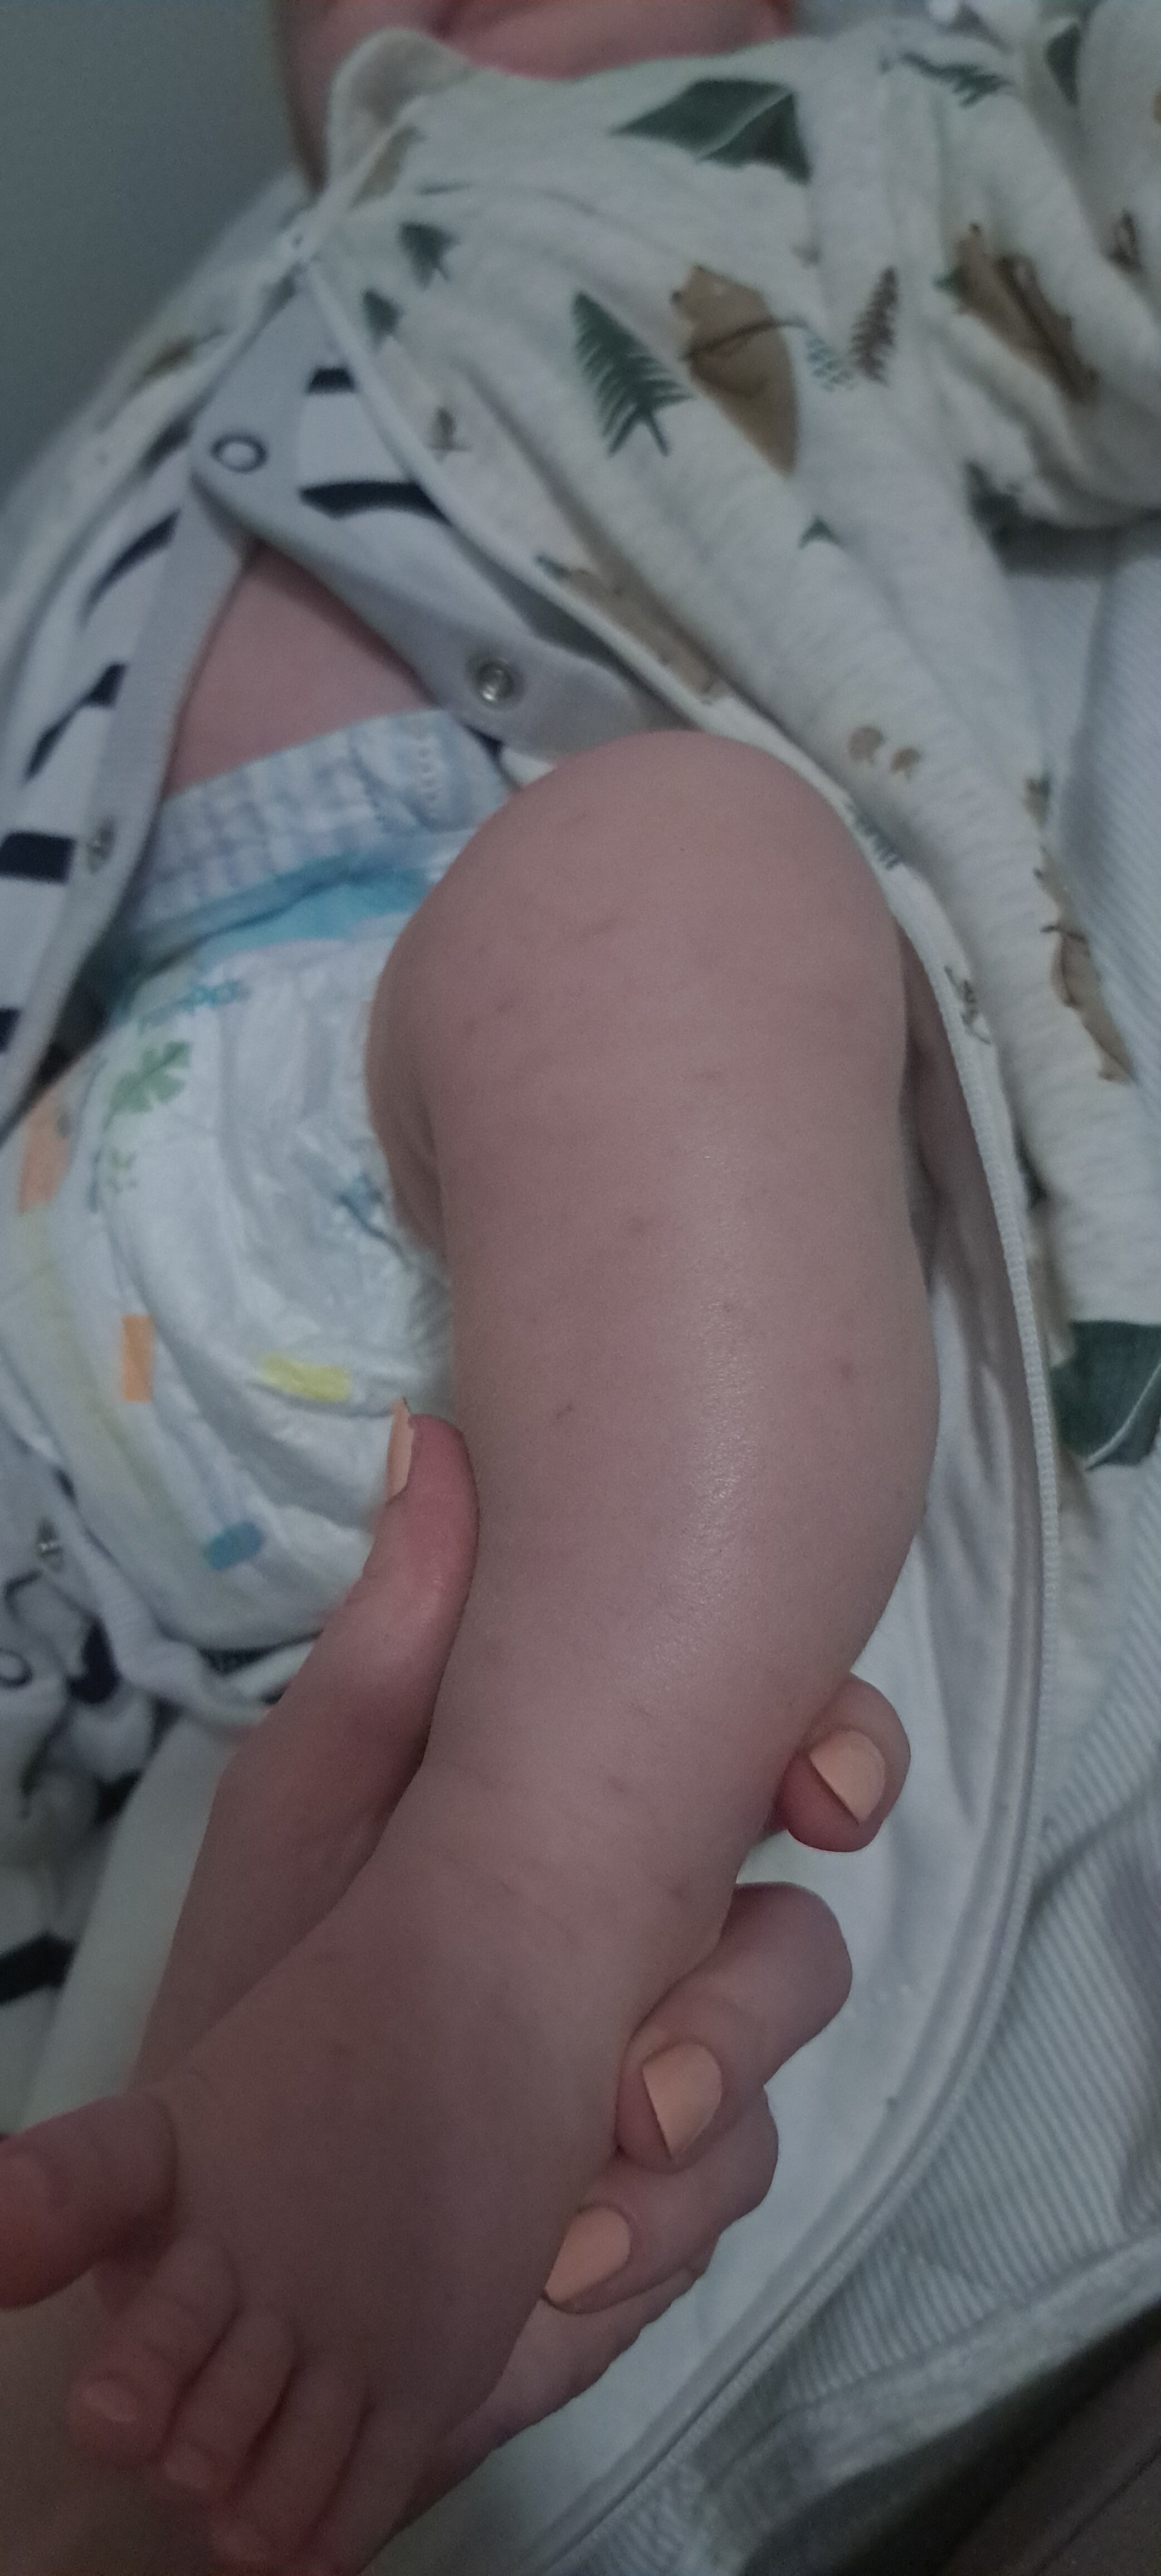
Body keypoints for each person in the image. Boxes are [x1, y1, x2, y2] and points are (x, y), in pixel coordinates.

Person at [0, 2, 935, 2567]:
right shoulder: (206, 337)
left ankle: (505, 1925)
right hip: (69, 1240)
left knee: (686, 880)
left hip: (415, 1101)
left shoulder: (852, 134)